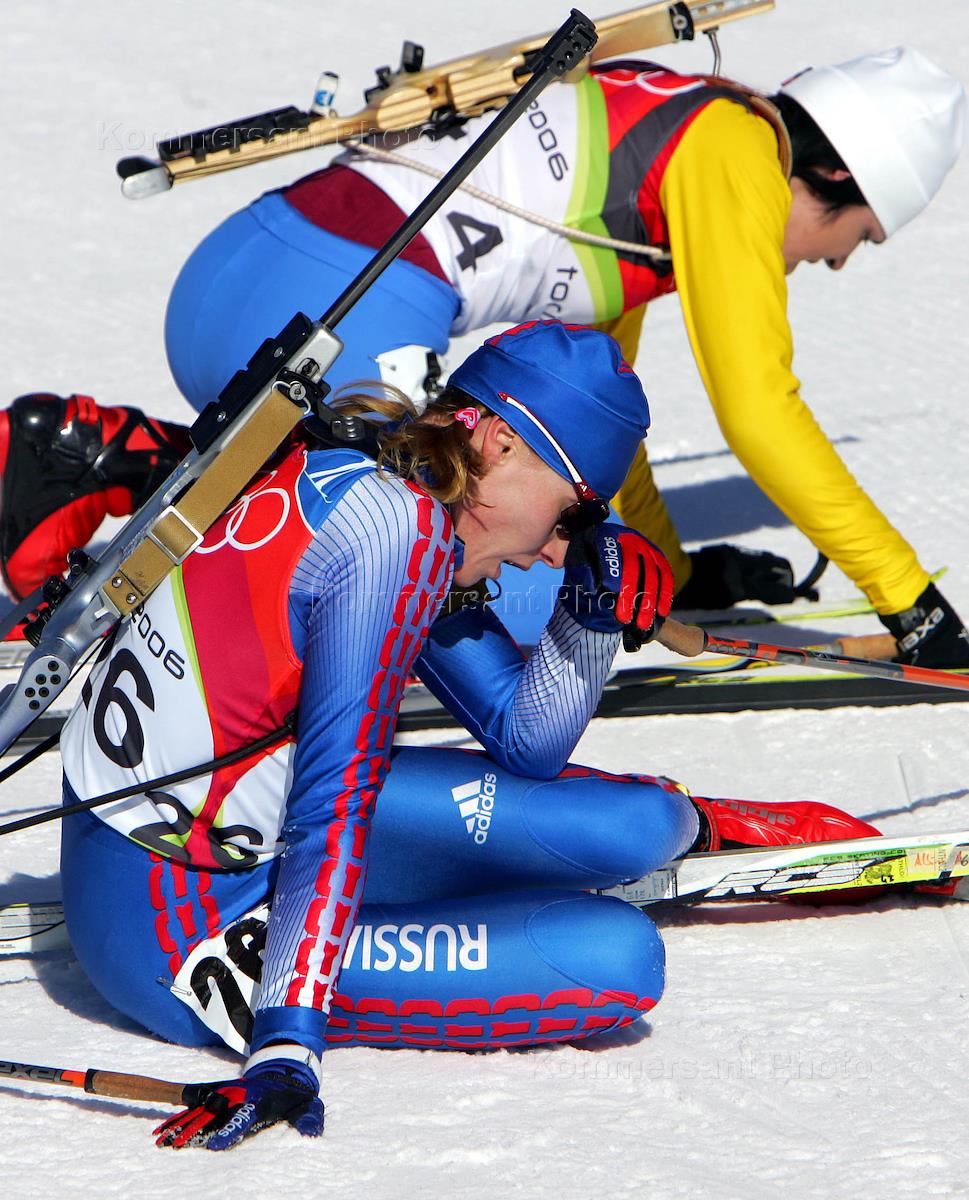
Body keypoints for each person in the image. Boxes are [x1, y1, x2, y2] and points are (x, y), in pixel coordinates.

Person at [56, 321, 885, 1150]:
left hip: (171, 834)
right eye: (569, 514)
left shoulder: (369, 476)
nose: (553, 553)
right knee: (615, 958)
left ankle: (699, 828)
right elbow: (331, 808)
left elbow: (524, 740)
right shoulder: (396, 540)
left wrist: (590, 614)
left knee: (627, 827)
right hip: (175, 922)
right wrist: (285, 1042)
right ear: (495, 438)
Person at [3, 47, 966, 665]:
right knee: (478, 587)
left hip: (269, 272)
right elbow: (758, 407)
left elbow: (588, 428)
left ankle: (97, 481)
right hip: (338, 294)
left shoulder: (678, 134)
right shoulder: (734, 156)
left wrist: (661, 571)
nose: (836, 262)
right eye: (858, 235)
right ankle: (111, 474)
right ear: (832, 174)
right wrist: (909, 601)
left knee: (491, 535)